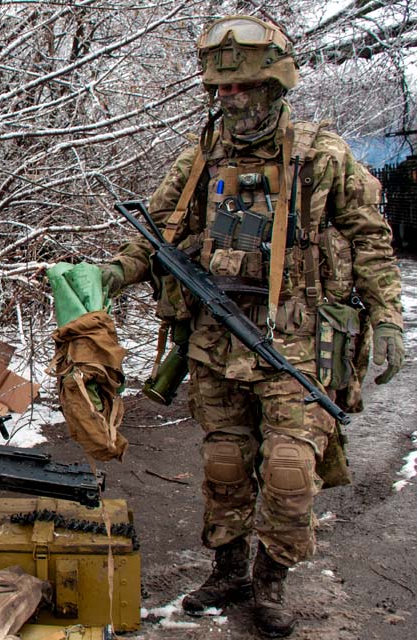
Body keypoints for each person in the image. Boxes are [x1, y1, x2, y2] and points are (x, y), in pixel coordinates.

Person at [99, 15, 404, 637]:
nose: (229, 101)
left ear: (275, 88)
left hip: (299, 345)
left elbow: (371, 240)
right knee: (224, 466)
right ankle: (229, 569)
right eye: (220, 91)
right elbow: (157, 232)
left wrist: (390, 318)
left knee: (290, 474)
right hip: (218, 343)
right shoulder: (201, 159)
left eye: (242, 89)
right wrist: (113, 274)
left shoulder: (322, 155)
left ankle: (271, 583)